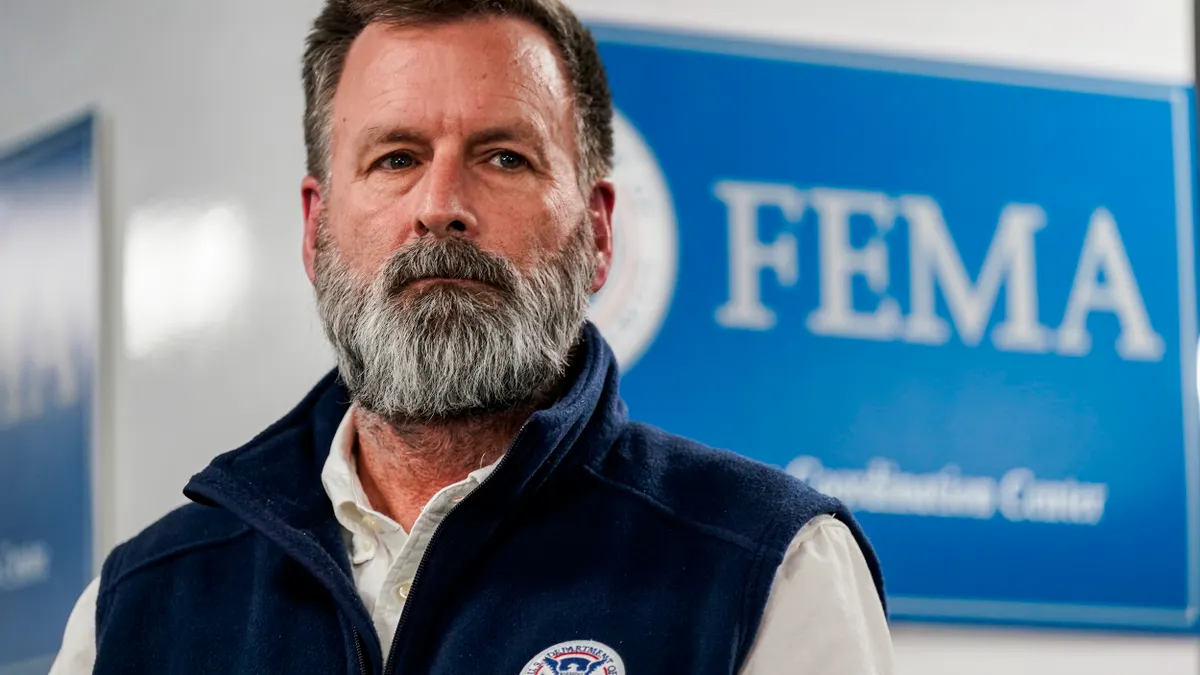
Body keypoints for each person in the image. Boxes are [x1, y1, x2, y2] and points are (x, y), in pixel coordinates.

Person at [49, 1, 893, 673]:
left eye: (503, 157)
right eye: (395, 158)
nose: (440, 205)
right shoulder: (133, 608)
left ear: (600, 231)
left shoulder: (769, 565)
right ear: (315, 229)